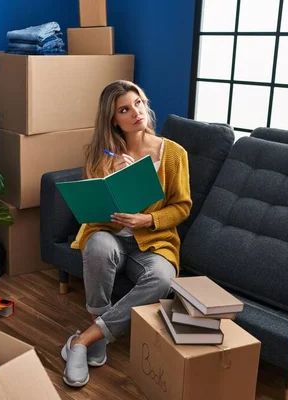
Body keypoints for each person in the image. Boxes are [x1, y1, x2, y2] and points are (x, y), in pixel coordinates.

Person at [61, 80, 192, 387]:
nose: (135, 112)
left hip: (154, 242)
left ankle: (85, 339)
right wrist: (117, 176)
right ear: (113, 119)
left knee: (163, 277)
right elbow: (93, 206)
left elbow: (182, 207)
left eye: (138, 103)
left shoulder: (174, 154)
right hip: (108, 234)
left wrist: (147, 218)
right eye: (124, 109)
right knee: (99, 248)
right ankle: (98, 332)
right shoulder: (99, 154)